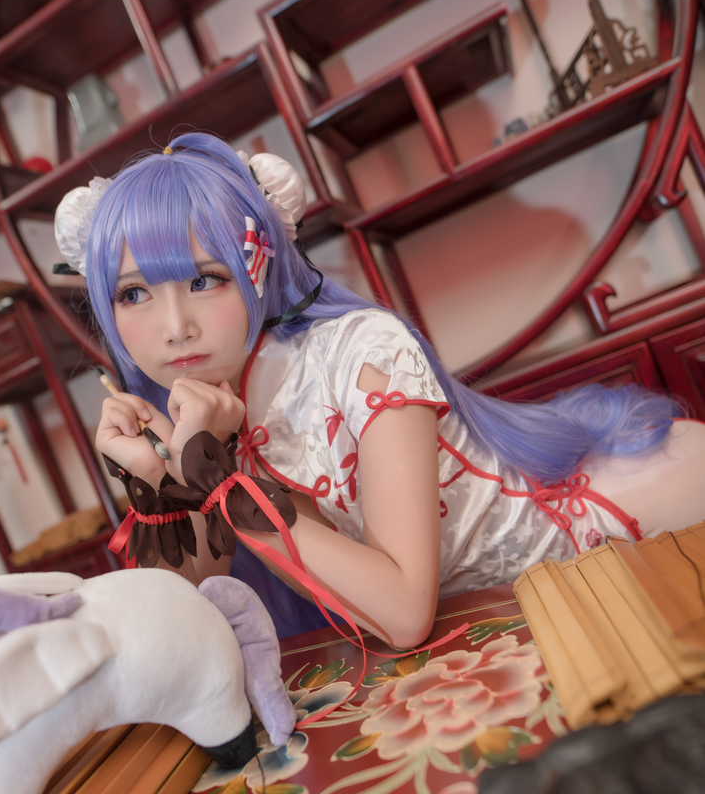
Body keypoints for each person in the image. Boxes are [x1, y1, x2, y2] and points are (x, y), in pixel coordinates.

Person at [54, 133, 705, 649]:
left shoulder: (363, 350)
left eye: (203, 280)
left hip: (630, 527)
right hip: (513, 610)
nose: (174, 327)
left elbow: (401, 615)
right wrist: (160, 479)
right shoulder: (193, 414)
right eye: (133, 294)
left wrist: (217, 479)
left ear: (258, 268)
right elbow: (182, 634)